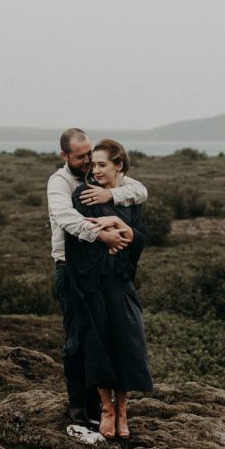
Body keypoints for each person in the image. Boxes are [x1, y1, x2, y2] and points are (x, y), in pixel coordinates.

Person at [47, 128, 147, 427]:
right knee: (77, 339)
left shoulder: (99, 179)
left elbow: (140, 190)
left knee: (106, 336)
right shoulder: (60, 182)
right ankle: (79, 408)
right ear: (65, 155)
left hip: (106, 275)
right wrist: (101, 234)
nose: (89, 161)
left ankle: (99, 407)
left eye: (91, 154)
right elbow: (65, 217)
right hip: (70, 268)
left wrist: (111, 194)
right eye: (81, 157)